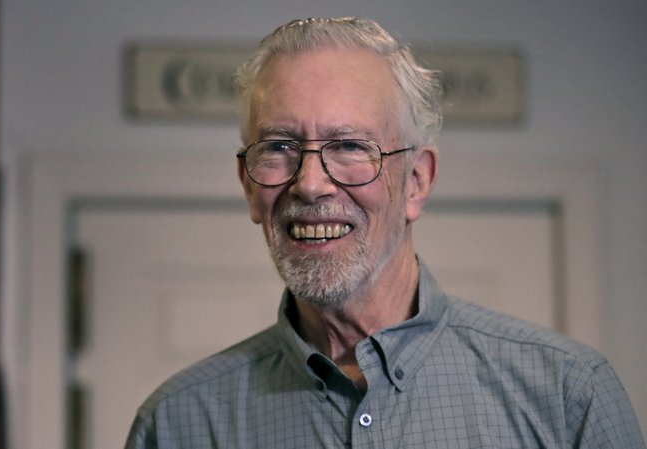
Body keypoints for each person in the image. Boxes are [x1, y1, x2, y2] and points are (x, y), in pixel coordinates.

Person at [125, 17, 645, 448]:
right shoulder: (178, 424)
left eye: (350, 146)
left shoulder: (567, 398)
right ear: (247, 184)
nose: (309, 185)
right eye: (279, 146)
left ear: (416, 181)